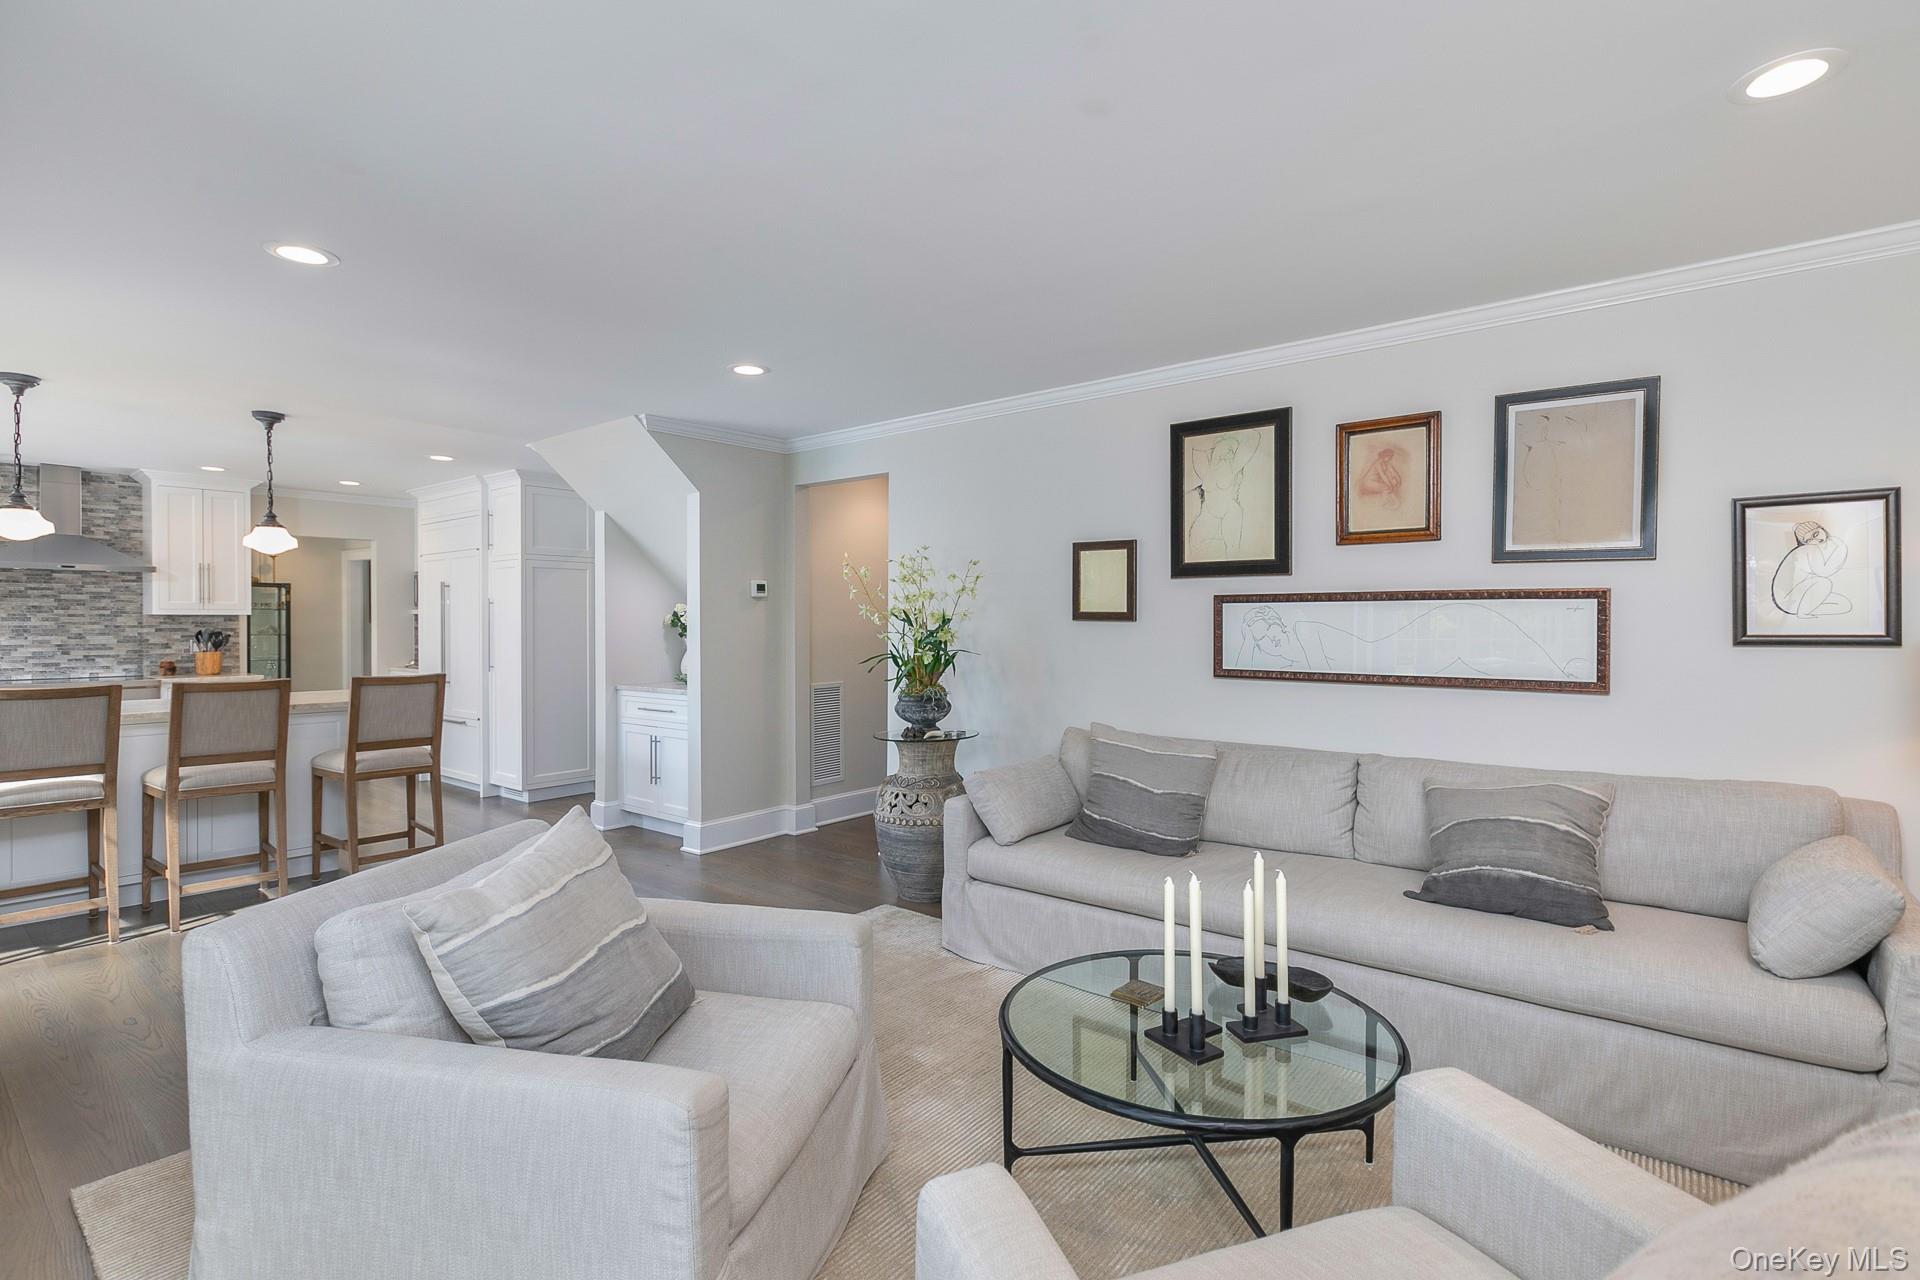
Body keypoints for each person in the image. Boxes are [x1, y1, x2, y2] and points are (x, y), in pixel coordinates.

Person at [1771, 520, 1852, 618]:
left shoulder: (1825, 545)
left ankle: (1806, 610)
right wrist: (1838, 550)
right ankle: (1802, 613)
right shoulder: (1807, 549)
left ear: (1822, 528)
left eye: (1816, 534)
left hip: (1805, 594)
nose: (1815, 540)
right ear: (1804, 543)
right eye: (1809, 540)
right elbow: (1823, 572)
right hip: (1789, 598)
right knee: (1824, 582)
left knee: (1844, 604)